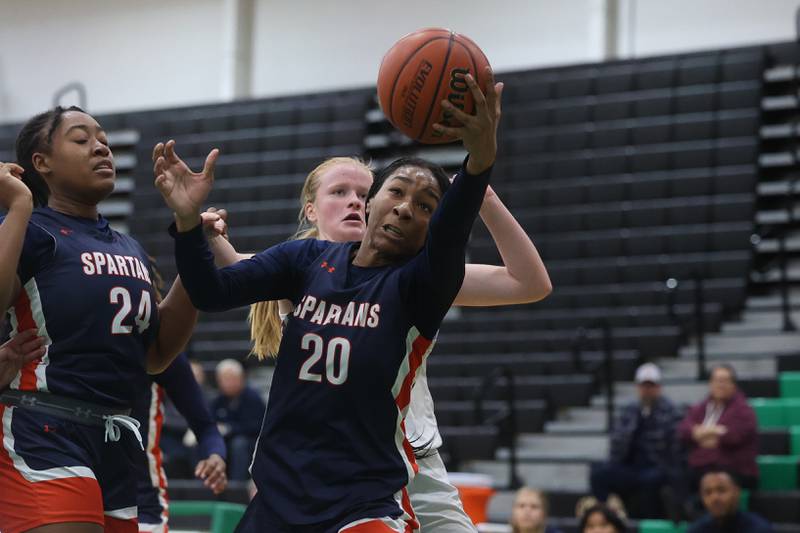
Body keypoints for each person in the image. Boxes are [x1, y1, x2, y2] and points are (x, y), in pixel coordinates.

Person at [156, 69, 501, 531]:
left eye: (425, 206)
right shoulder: (306, 259)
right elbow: (210, 292)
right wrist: (184, 221)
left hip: (362, 498)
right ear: (371, 201)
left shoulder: (421, 286)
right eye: (397, 192)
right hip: (281, 493)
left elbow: (455, 229)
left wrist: (479, 162)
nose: (405, 207)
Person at [0, 107, 198, 533]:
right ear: (42, 162)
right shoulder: (29, 229)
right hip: (44, 427)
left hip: (115, 440)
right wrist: (18, 204)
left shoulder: (129, 247)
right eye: (81, 138)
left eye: (104, 138)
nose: (101, 146)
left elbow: (157, 356)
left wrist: (190, 231)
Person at [589, 363, 683, 518]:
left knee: (652, 481)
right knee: (598, 474)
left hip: (657, 467)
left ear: (658, 387)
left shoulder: (670, 411)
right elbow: (616, 443)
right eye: (643, 386)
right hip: (630, 466)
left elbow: (673, 447)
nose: (647, 390)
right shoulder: (629, 410)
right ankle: (607, 518)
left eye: (650, 385)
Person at [677, 364, 758, 491]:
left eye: (725, 381)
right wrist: (709, 431)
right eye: (717, 381)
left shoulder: (744, 410)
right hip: (701, 466)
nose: (721, 385)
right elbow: (683, 429)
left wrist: (702, 432)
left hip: (735, 469)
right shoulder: (701, 407)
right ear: (710, 384)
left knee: (712, 480)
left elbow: (734, 436)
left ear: (734, 385)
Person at [211, 358, 266, 481]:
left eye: (231, 378)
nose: (228, 383)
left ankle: (236, 485)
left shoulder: (253, 398)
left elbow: (257, 426)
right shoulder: (217, 400)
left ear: (241, 379)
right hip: (226, 439)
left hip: (250, 440)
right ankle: (207, 482)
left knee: (239, 444)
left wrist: (229, 428)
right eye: (224, 379)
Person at [687, 469, 773, 533]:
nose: (715, 498)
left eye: (721, 490)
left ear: (737, 492)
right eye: (708, 492)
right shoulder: (696, 530)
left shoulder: (759, 529)